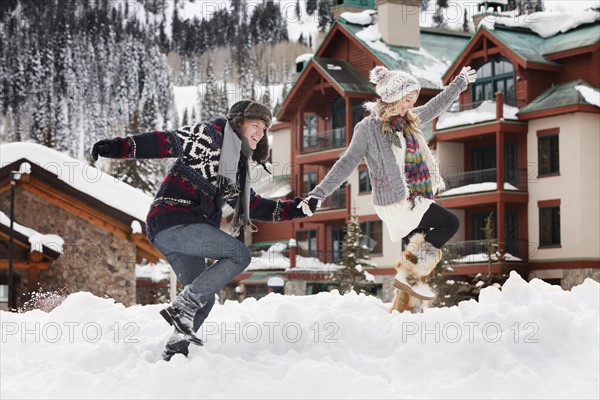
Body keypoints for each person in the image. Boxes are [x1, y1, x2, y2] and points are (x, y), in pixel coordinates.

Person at [92, 100, 318, 361]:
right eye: (256, 125)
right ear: (238, 122)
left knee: (205, 299)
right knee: (238, 255)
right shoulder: (208, 135)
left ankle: (174, 354)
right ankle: (183, 307)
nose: (261, 132)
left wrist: (295, 209)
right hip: (172, 217)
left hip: (183, 231)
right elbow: (163, 142)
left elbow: (252, 205)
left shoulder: (234, 167)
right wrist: (117, 147)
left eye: (265, 128)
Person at [298, 65, 477, 301]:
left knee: (418, 248)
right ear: (393, 98)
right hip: (395, 202)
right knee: (449, 223)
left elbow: (435, 106)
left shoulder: (408, 121)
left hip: (415, 198)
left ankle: (406, 299)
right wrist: (318, 194)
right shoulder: (368, 129)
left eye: (413, 100)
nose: (411, 105)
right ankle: (409, 277)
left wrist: (459, 83)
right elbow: (347, 162)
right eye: (407, 100)